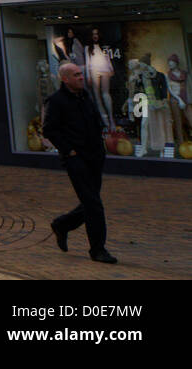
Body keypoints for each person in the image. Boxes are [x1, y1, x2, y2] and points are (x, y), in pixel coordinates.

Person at [43, 62, 116, 264]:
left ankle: (62, 224)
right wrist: (69, 151)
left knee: (90, 201)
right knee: (94, 205)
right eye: (76, 75)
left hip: (94, 156)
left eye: (81, 74)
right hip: (76, 159)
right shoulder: (56, 101)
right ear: (65, 79)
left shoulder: (85, 96)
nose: (81, 77)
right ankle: (97, 249)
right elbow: (49, 129)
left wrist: (102, 142)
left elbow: (95, 120)